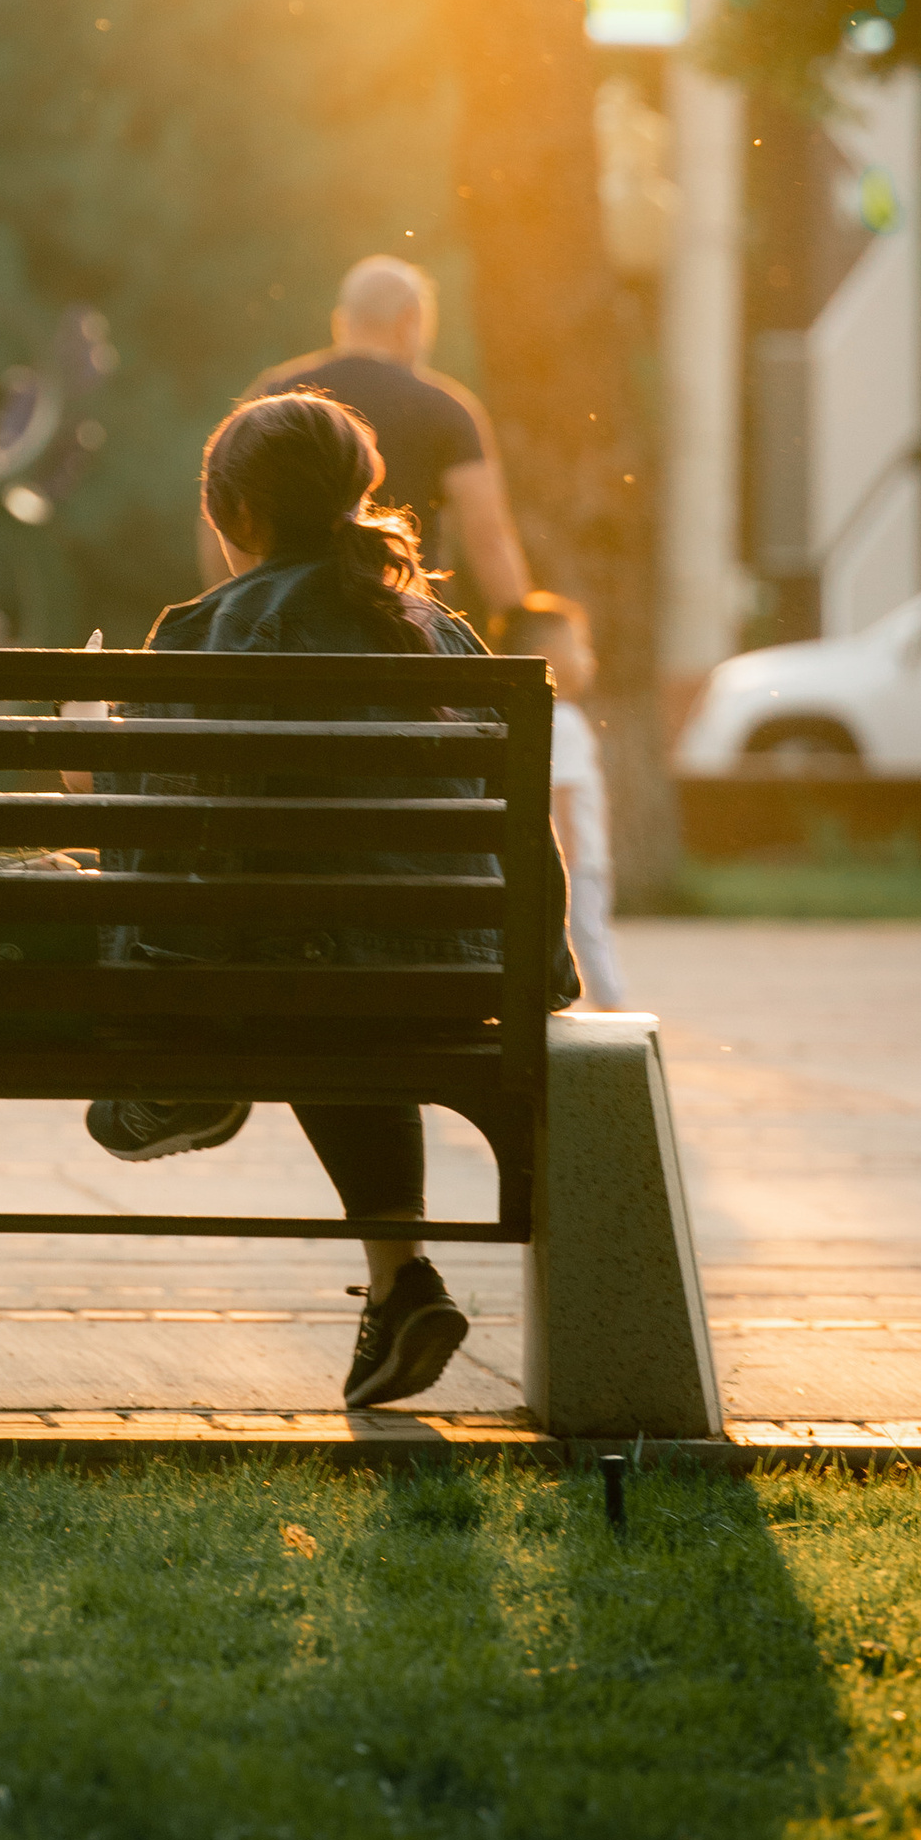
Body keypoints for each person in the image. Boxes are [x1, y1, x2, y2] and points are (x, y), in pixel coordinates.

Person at [85, 388, 577, 1414]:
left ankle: (181, 1076)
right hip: (454, 972)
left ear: (239, 519)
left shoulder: (206, 633)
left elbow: (160, 848)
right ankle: (400, 1284)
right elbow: (514, 811)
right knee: (341, 961)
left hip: (293, 978)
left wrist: (97, 743)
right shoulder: (434, 628)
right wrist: (543, 970)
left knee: (308, 961)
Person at [245, 256, 530, 620]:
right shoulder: (444, 409)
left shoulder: (276, 395)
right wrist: (523, 628)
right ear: (410, 320)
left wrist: (242, 615)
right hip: (409, 627)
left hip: (292, 621)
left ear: (341, 322)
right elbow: (487, 536)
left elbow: (226, 511)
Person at [493, 591, 626, 1007]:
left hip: (581, 859)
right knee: (589, 936)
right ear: (549, 654)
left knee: (587, 933)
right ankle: (613, 1005)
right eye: (580, 646)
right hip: (576, 861)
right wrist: (570, 861)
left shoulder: (544, 716)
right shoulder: (564, 721)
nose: (590, 658)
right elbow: (564, 799)